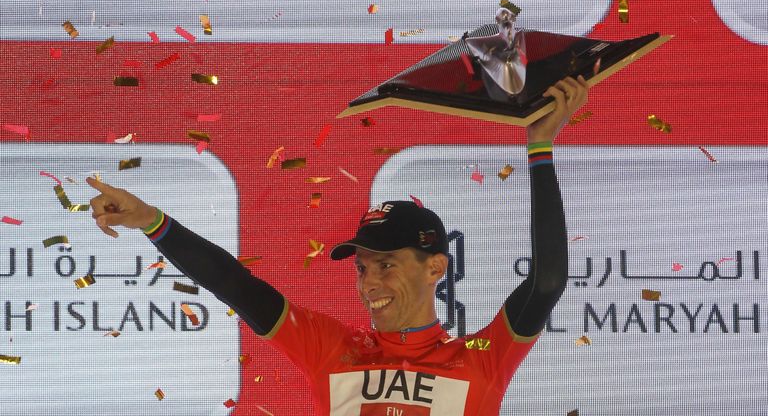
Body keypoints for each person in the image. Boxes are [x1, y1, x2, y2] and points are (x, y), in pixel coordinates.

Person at [87, 75, 589, 415]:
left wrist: (540, 148)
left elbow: (547, 280)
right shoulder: (335, 350)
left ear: (435, 266)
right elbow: (234, 285)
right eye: (362, 268)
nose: (369, 282)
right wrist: (150, 221)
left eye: (385, 264)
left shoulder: (480, 355)